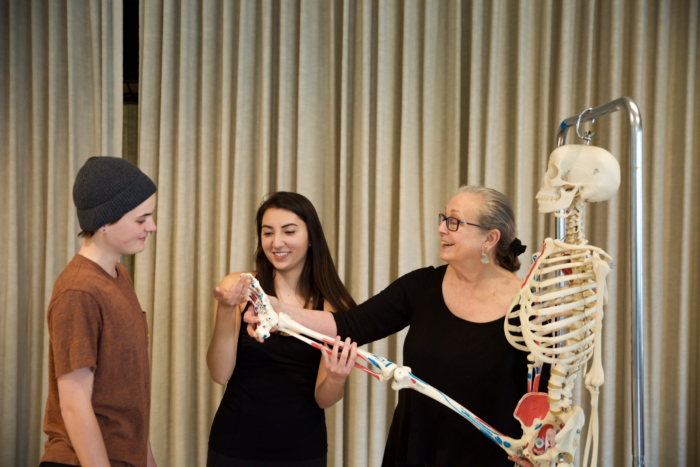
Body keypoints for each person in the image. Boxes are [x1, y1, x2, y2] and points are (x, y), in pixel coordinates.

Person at [245, 185, 534, 467]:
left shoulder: (529, 304)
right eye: (444, 219)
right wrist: (277, 308)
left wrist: (537, 448)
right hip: (416, 448)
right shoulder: (421, 286)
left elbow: (540, 393)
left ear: (490, 238)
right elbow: (348, 325)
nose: (442, 229)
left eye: (455, 222)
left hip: (490, 457)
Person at [206, 192, 359, 467]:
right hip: (235, 444)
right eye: (267, 233)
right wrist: (227, 310)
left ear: (311, 238)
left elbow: (323, 399)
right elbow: (219, 374)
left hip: (303, 450)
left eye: (289, 231)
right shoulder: (240, 287)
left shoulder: (335, 307)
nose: (276, 243)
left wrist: (337, 379)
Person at [40, 156, 158, 467]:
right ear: (104, 222)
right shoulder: (78, 291)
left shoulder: (120, 277)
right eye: (141, 219)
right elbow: (74, 405)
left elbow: (127, 391)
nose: (152, 227)